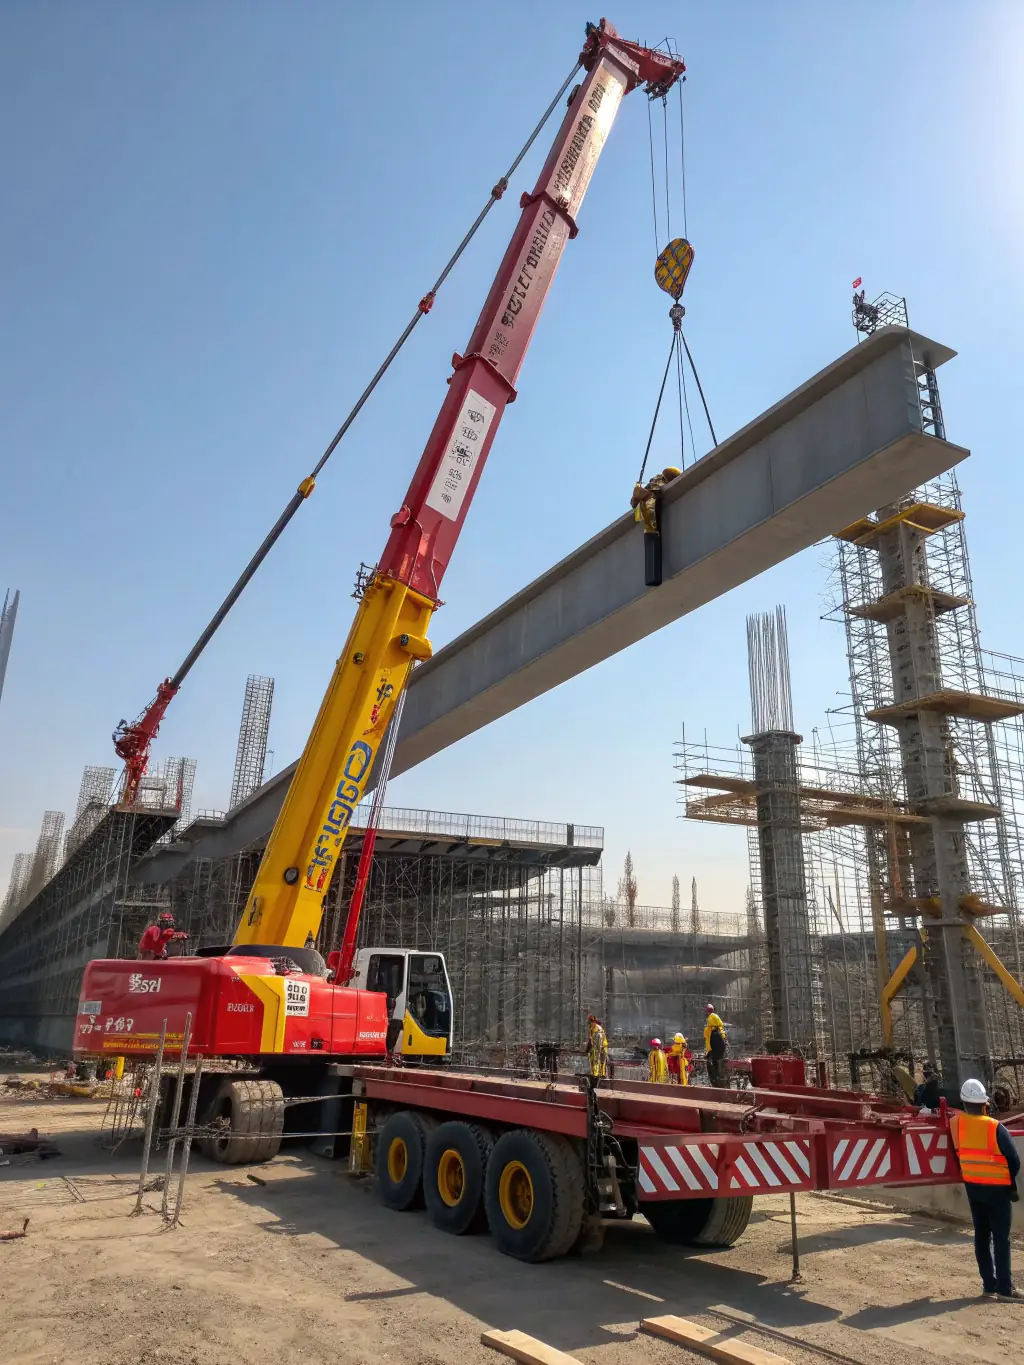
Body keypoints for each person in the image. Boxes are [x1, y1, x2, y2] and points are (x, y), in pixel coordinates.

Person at [951, 1078, 1023, 1301]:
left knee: (982, 1237)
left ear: (964, 1103)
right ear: (985, 1103)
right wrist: (1007, 1179)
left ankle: (989, 1285)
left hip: (974, 1189)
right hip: (998, 1190)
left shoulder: (956, 1125)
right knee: (1001, 1238)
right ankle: (1005, 1288)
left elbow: (956, 1152)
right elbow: (1014, 1160)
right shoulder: (995, 1127)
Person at [704, 1003, 728, 1088]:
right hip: (719, 1044)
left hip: (715, 1043)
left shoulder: (712, 1030)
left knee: (713, 1060)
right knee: (716, 1060)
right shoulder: (718, 1028)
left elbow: (709, 1044)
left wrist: (707, 1054)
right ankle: (718, 1077)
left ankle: (716, 1078)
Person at [587, 1015, 608, 1079]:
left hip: (597, 1045)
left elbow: (590, 1039)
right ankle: (602, 1074)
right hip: (604, 1046)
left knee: (594, 1059)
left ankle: (595, 1075)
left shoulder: (593, 1026)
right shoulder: (601, 1028)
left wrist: (587, 1049)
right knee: (603, 1060)